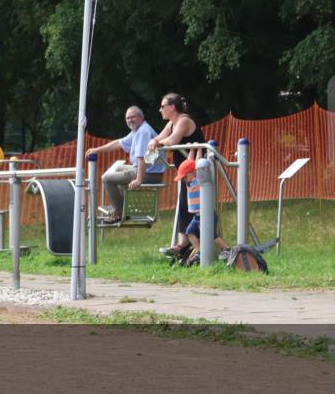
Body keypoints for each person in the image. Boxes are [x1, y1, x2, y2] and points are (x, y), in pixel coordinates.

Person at [147, 93, 205, 255]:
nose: (160, 110)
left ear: (172, 107)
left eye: (162, 106)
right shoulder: (172, 124)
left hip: (198, 173)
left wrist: (156, 142)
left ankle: (194, 245)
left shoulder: (184, 121)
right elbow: (160, 137)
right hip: (186, 174)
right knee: (183, 205)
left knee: (193, 206)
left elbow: (171, 141)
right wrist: (154, 141)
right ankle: (183, 245)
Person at [87, 106, 166, 223]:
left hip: (149, 173)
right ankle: (123, 206)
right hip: (147, 169)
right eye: (127, 118)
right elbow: (118, 143)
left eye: (132, 117)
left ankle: (118, 212)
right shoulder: (137, 130)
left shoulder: (143, 132)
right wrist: (96, 150)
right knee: (119, 168)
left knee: (107, 179)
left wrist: (139, 179)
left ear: (141, 117)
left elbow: (141, 157)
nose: (129, 120)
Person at [173, 159, 230, 265]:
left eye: (185, 177)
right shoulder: (189, 183)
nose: (184, 180)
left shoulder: (198, 180)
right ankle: (199, 251)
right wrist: (192, 150)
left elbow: (196, 163)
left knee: (211, 235)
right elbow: (189, 161)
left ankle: (226, 249)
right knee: (189, 231)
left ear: (193, 172)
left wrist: (198, 150)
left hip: (206, 215)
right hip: (197, 216)